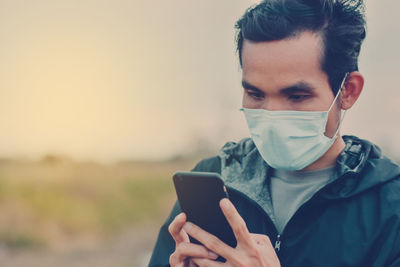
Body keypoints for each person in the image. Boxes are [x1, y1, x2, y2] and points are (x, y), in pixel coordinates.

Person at [149, 0, 400, 266]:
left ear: (348, 91)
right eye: (255, 94)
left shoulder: (391, 210)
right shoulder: (213, 182)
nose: (270, 117)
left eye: (296, 96)